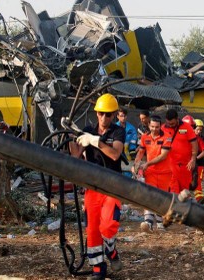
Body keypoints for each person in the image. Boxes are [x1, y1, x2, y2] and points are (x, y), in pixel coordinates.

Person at [69, 93, 124, 280]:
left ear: (114, 114)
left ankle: (111, 251)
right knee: (92, 230)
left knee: (108, 225)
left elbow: (115, 154)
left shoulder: (117, 132)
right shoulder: (87, 129)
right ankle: (98, 269)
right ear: (96, 113)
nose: (103, 118)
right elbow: (76, 157)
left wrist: (94, 141)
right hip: (92, 186)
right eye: (101, 114)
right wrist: (72, 136)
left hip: (112, 186)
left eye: (108, 114)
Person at [132, 115, 171, 232]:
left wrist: (147, 164)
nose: (155, 129)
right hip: (151, 173)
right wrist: (136, 165)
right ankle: (148, 222)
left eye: (157, 127)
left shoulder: (167, 137)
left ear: (161, 125)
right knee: (149, 196)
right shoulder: (144, 137)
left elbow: (163, 155)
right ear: (149, 125)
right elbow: (141, 152)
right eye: (152, 126)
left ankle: (160, 223)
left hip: (165, 173)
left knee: (161, 198)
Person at [162, 109, 198, 194]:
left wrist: (193, 159)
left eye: (173, 123)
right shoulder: (163, 128)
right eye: (169, 123)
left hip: (185, 165)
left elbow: (194, 144)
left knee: (184, 191)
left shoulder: (187, 127)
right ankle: (173, 205)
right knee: (173, 189)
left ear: (177, 119)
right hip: (169, 165)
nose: (170, 125)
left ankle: (181, 206)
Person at [116, 108, 138, 177]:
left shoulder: (131, 128)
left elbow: (133, 141)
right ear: (117, 116)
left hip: (128, 153)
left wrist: (132, 150)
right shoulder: (114, 127)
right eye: (121, 116)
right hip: (117, 151)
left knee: (128, 171)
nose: (123, 118)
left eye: (124, 116)